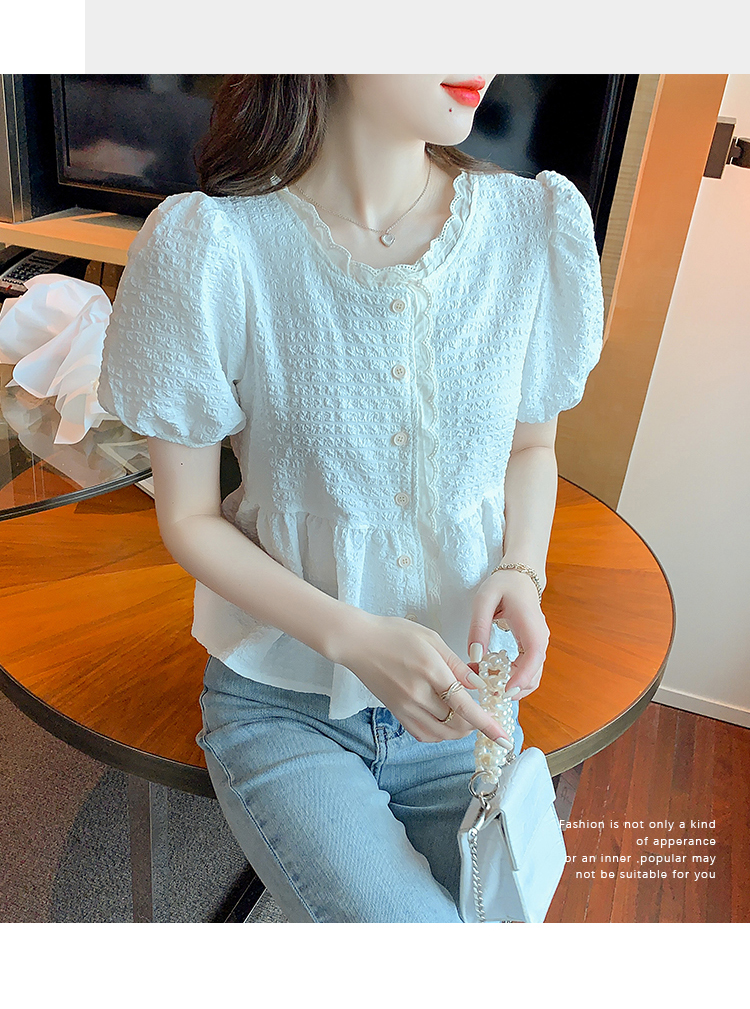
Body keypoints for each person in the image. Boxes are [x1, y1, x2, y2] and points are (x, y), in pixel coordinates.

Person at [98, 74, 604, 923]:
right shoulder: (213, 245)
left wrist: (523, 566)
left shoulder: (534, 228)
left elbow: (531, 445)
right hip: (284, 703)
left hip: (462, 703)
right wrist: (354, 637)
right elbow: (186, 518)